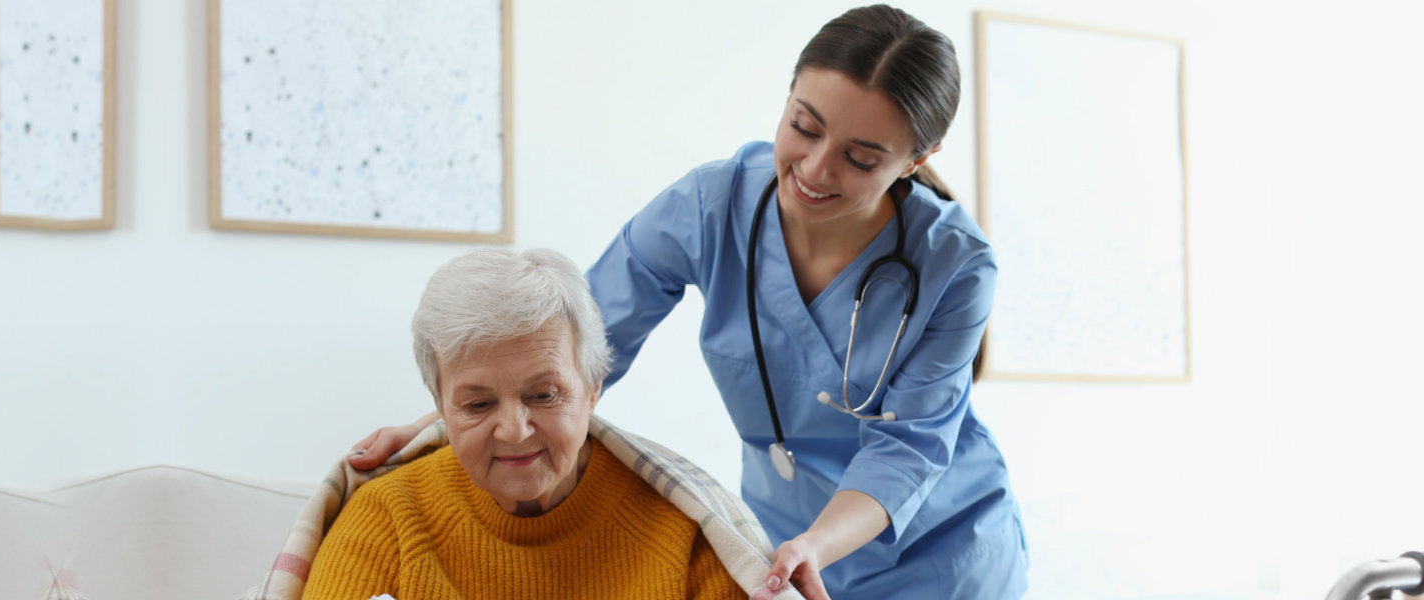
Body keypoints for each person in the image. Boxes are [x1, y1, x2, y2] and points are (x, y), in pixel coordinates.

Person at [350, 6, 1027, 599]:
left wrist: (817, 546)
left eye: (861, 158)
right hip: (783, 535)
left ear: (915, 160)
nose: (816, 169)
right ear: (788, 95)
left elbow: (908, 448)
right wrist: (447, 423)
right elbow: (573, 350)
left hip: (945, 551)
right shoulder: (713, 205)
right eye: (804, 126)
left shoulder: (956, 265)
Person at [307, 248, 745, 599]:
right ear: (440, 405)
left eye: (543, 395)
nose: (514, 431)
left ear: (594, 388)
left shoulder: (683, 532)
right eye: (478, 404)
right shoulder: (387, 517)